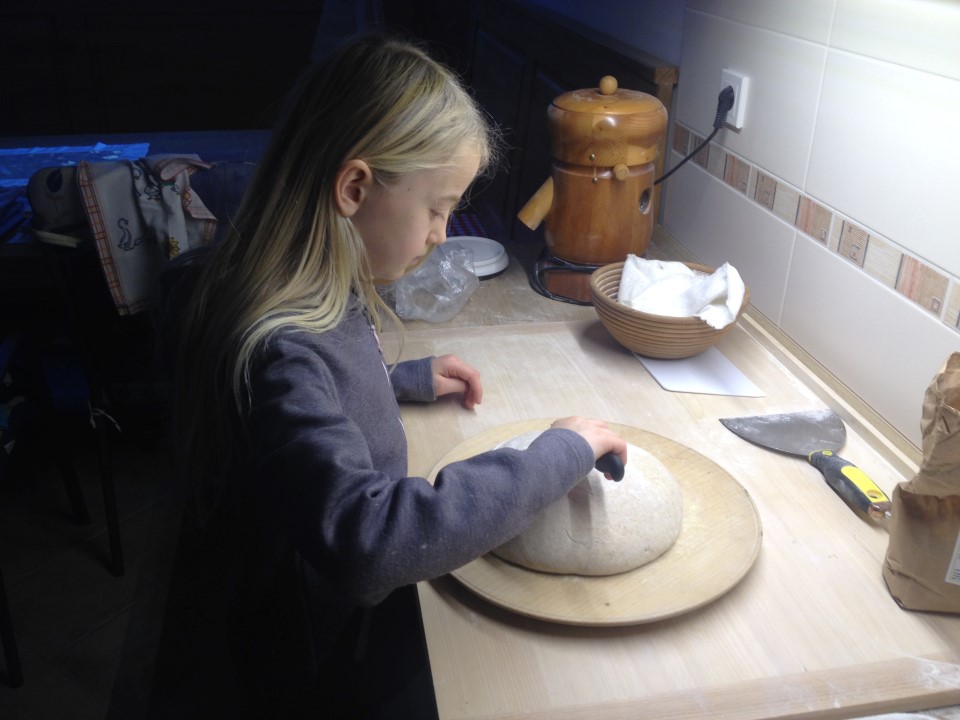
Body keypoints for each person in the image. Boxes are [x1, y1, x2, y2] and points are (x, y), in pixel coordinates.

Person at [160, 34, 627, 718]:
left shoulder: (312, 294)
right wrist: (555, 456)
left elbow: (326, 389)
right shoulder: (281, 348)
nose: (442, 233)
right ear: (354, 189)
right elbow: (370, 542)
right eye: (436, 209)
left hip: (330, 629)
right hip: (313, 658)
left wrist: (401, 379)